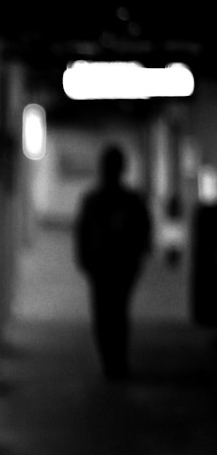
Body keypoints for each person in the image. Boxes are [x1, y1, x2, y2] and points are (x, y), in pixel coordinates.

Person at [74, 144, 151, 380]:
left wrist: (84, 259)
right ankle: (114, 362)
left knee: (108, 314)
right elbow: (83, 233)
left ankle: (113, 362)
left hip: (110, 266)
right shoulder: (121, 200)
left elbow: (143, 231)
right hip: (112, 266)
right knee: (115, 314)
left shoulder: (98, 200)